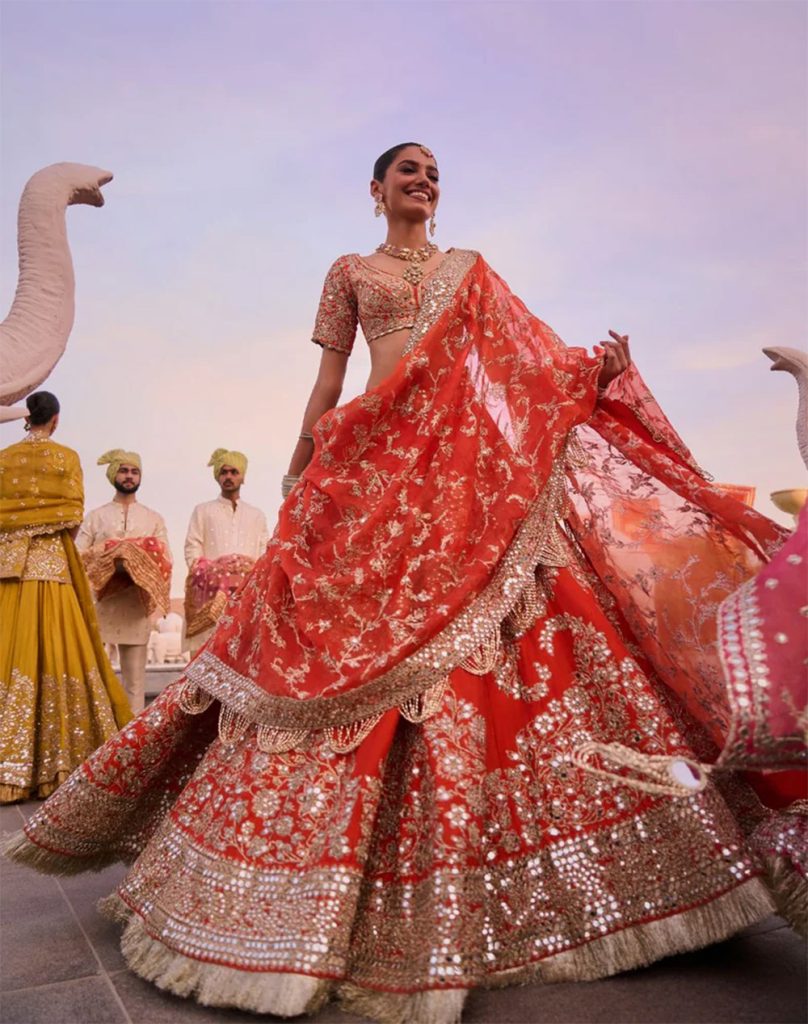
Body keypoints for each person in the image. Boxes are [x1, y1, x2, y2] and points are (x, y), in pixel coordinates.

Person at [5, 145, 803, 1023]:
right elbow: (331, 379)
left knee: (506, 638)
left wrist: (591, 372)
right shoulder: (348, 271)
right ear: (376, 190)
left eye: (432, 172)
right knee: (313, 657)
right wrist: (300, 467)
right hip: (368, 464)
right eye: (406, 171)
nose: (423, 181)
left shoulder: (471, 271)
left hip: (461, 476)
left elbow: (523, 364)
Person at [0, 392, 131, 803]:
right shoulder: (67, 457)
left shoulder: (4, 459)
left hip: (10, 571)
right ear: (55, 420)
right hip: (53, 568)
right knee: (58, 650)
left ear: (28, 419)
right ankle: (59, 760)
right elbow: (73, 517)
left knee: (11, 653)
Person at [76, 450, 171, 714]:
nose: (129, 476)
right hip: (100, 605)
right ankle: (97, 739)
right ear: (113, 475)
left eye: (134, 471)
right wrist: (110, 552)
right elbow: (78, 554)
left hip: (135, 605)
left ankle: (131, 743)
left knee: (135, 683)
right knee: (94, 678)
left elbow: (165, 556)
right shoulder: (96, 516)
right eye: (124, 471)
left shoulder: (153, 518)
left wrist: (135, 554)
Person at [183, 448, 269, 654]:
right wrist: (212, 570)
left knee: (243, 656)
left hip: (245, 597)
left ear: (243, 477)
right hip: (210, 596)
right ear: (217, 477)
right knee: (207, 655)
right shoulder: (202, 510)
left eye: (234, 472)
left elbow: (264, 553)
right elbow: (192, 546)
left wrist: (246, 569)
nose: (228, 477)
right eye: (224, 472)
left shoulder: (256, 515)